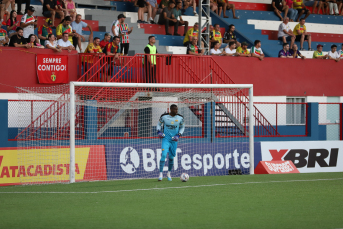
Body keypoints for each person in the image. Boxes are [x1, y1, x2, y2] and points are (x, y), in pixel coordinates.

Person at [157, 104, 185, 181]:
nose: (176, 111)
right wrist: (159, 132)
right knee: (163, 155)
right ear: (171, 109)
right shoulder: (164, 117)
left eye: (177, 109)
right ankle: (160, 174)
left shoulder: (180, 118)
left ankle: (169, 173)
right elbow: (159, 124)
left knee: (171, 157)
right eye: (175, 109)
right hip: (166, 139)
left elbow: (182, 127)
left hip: (174, 140)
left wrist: (179, 135)